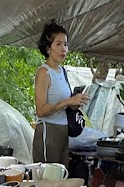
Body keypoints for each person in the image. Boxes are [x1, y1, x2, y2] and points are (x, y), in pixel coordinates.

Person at [32, 21, 89, 165]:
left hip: (64, 130)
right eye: (58, 44)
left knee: (61, 178)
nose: (63, 49)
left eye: (66, 45)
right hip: (49, 131)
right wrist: (68, 101)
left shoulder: (62, 72)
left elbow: (66, 104)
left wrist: (76, 102)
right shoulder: (44, 72)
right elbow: (40, 110)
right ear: (48, 48)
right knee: (47, 178)